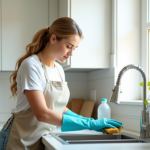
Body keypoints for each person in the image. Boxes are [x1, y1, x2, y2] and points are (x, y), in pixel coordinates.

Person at [0, 17, 123, 150]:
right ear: (53, 39)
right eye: (68, 46)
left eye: (74, 48)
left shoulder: (58, 69)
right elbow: (42, 114)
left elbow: (58, 107)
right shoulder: (31, 65)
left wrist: (90, 122)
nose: (71, 53)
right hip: (19, 139)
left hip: (40, 138)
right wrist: (88, 123)